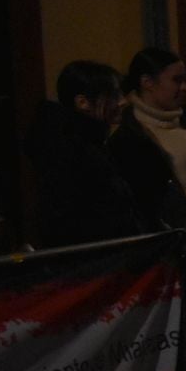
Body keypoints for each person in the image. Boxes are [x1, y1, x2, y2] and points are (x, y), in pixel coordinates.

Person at [26, 60, 141, 248]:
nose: (123, 101)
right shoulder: (70, 151)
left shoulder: (88, 143)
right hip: (95, 265)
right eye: (113, 95)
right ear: (83, 102)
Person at [108, 47, 186, 230]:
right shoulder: (131, 138)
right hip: (176, 243)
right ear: (147, 82)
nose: (184, 87)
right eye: (176, 80)